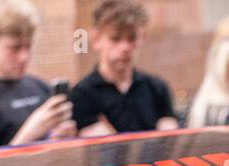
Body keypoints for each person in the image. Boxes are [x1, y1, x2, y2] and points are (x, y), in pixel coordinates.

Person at [0, 0, 75, 150]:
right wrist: (30, 133)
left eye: (28, 46)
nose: (24, 57)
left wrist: (59, 137)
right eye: (14, 48)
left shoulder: (39, 87)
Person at [72, 0, 178, 136]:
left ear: (142, 38)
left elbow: (170, 137)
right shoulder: (82, 94)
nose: (125, 48)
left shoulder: (157, 88)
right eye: (115, 39)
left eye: (132, 38)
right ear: (97, 39)